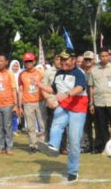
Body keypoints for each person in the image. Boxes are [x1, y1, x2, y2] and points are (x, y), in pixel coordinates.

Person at [37, 49, 89, 182]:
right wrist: (39, 84)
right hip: (64, 106)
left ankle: (73, 171)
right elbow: (53, 89)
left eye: (66, 59)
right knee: (56, 125)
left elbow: (80, 88)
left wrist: (66, 94)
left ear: (73, 60)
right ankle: (53, 146)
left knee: (74, 142)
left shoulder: (79, 72)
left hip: (78, 108)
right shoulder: (59, 73)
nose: (63, 62)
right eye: (61, 59)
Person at [88, 48, 111, 153]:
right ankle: (105, 147)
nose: (104, 58)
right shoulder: (94, 70)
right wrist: (91, 103)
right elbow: (91, 87)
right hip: (99, 102)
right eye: (102, 56)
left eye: (106, 56)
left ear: (109, 56)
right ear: (99, 57)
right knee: (101, 126)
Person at [0, 54, 20, 155]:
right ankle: (0, 147)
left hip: (8, 104)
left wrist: (15, 105)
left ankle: (9, 148)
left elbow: (14, 89)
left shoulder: (10, 74)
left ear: (6, 62)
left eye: (1, 61)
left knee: (8, 127)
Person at [18, 52, 45, 153]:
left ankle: (42, 144)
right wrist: (19, 105)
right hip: (27, 103)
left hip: (40, 101)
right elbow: (20, 90)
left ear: (34, 61)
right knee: (30, 126)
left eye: (30, 61)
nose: (28, 63)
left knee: (43, 124)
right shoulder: (22, 74)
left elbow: (44, 86)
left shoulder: (40, 73)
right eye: (26, 61)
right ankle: (33, 145)